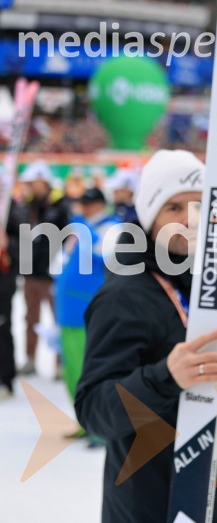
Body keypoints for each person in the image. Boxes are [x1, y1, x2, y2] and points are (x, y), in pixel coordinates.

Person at [75, 150, 217, 523]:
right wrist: (165, 378)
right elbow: (94, 412)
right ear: (149, 217)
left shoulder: (214, 293)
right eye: (173, 207)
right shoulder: (123, 294)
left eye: (198, 206)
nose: (187, 220)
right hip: (148, 504)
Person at [54, 187, 119, 442]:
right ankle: (83, 419)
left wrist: (85, 229)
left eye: (88, 204)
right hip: (68, 309)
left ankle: (100, 428)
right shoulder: (78, 226)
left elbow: (104, 255)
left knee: (91, 370)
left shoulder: (112, 227)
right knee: (72, 369)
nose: (83, 208)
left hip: (89, 310)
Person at [18, 161, 71, 376]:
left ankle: (60, 363)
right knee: (31, 318)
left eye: (34, 182)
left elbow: (69, 236)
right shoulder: (28, 205)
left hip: (53, 273)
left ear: (44, 181)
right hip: (31, 271)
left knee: (58, 318)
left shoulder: (60, 205)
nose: (31, 186)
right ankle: (30, 358)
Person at [0, 198, 23, 399]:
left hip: (3, 282)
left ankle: (5, 379)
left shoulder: (9, 209)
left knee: (2, 330)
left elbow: (24, 242)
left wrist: (8, 244)